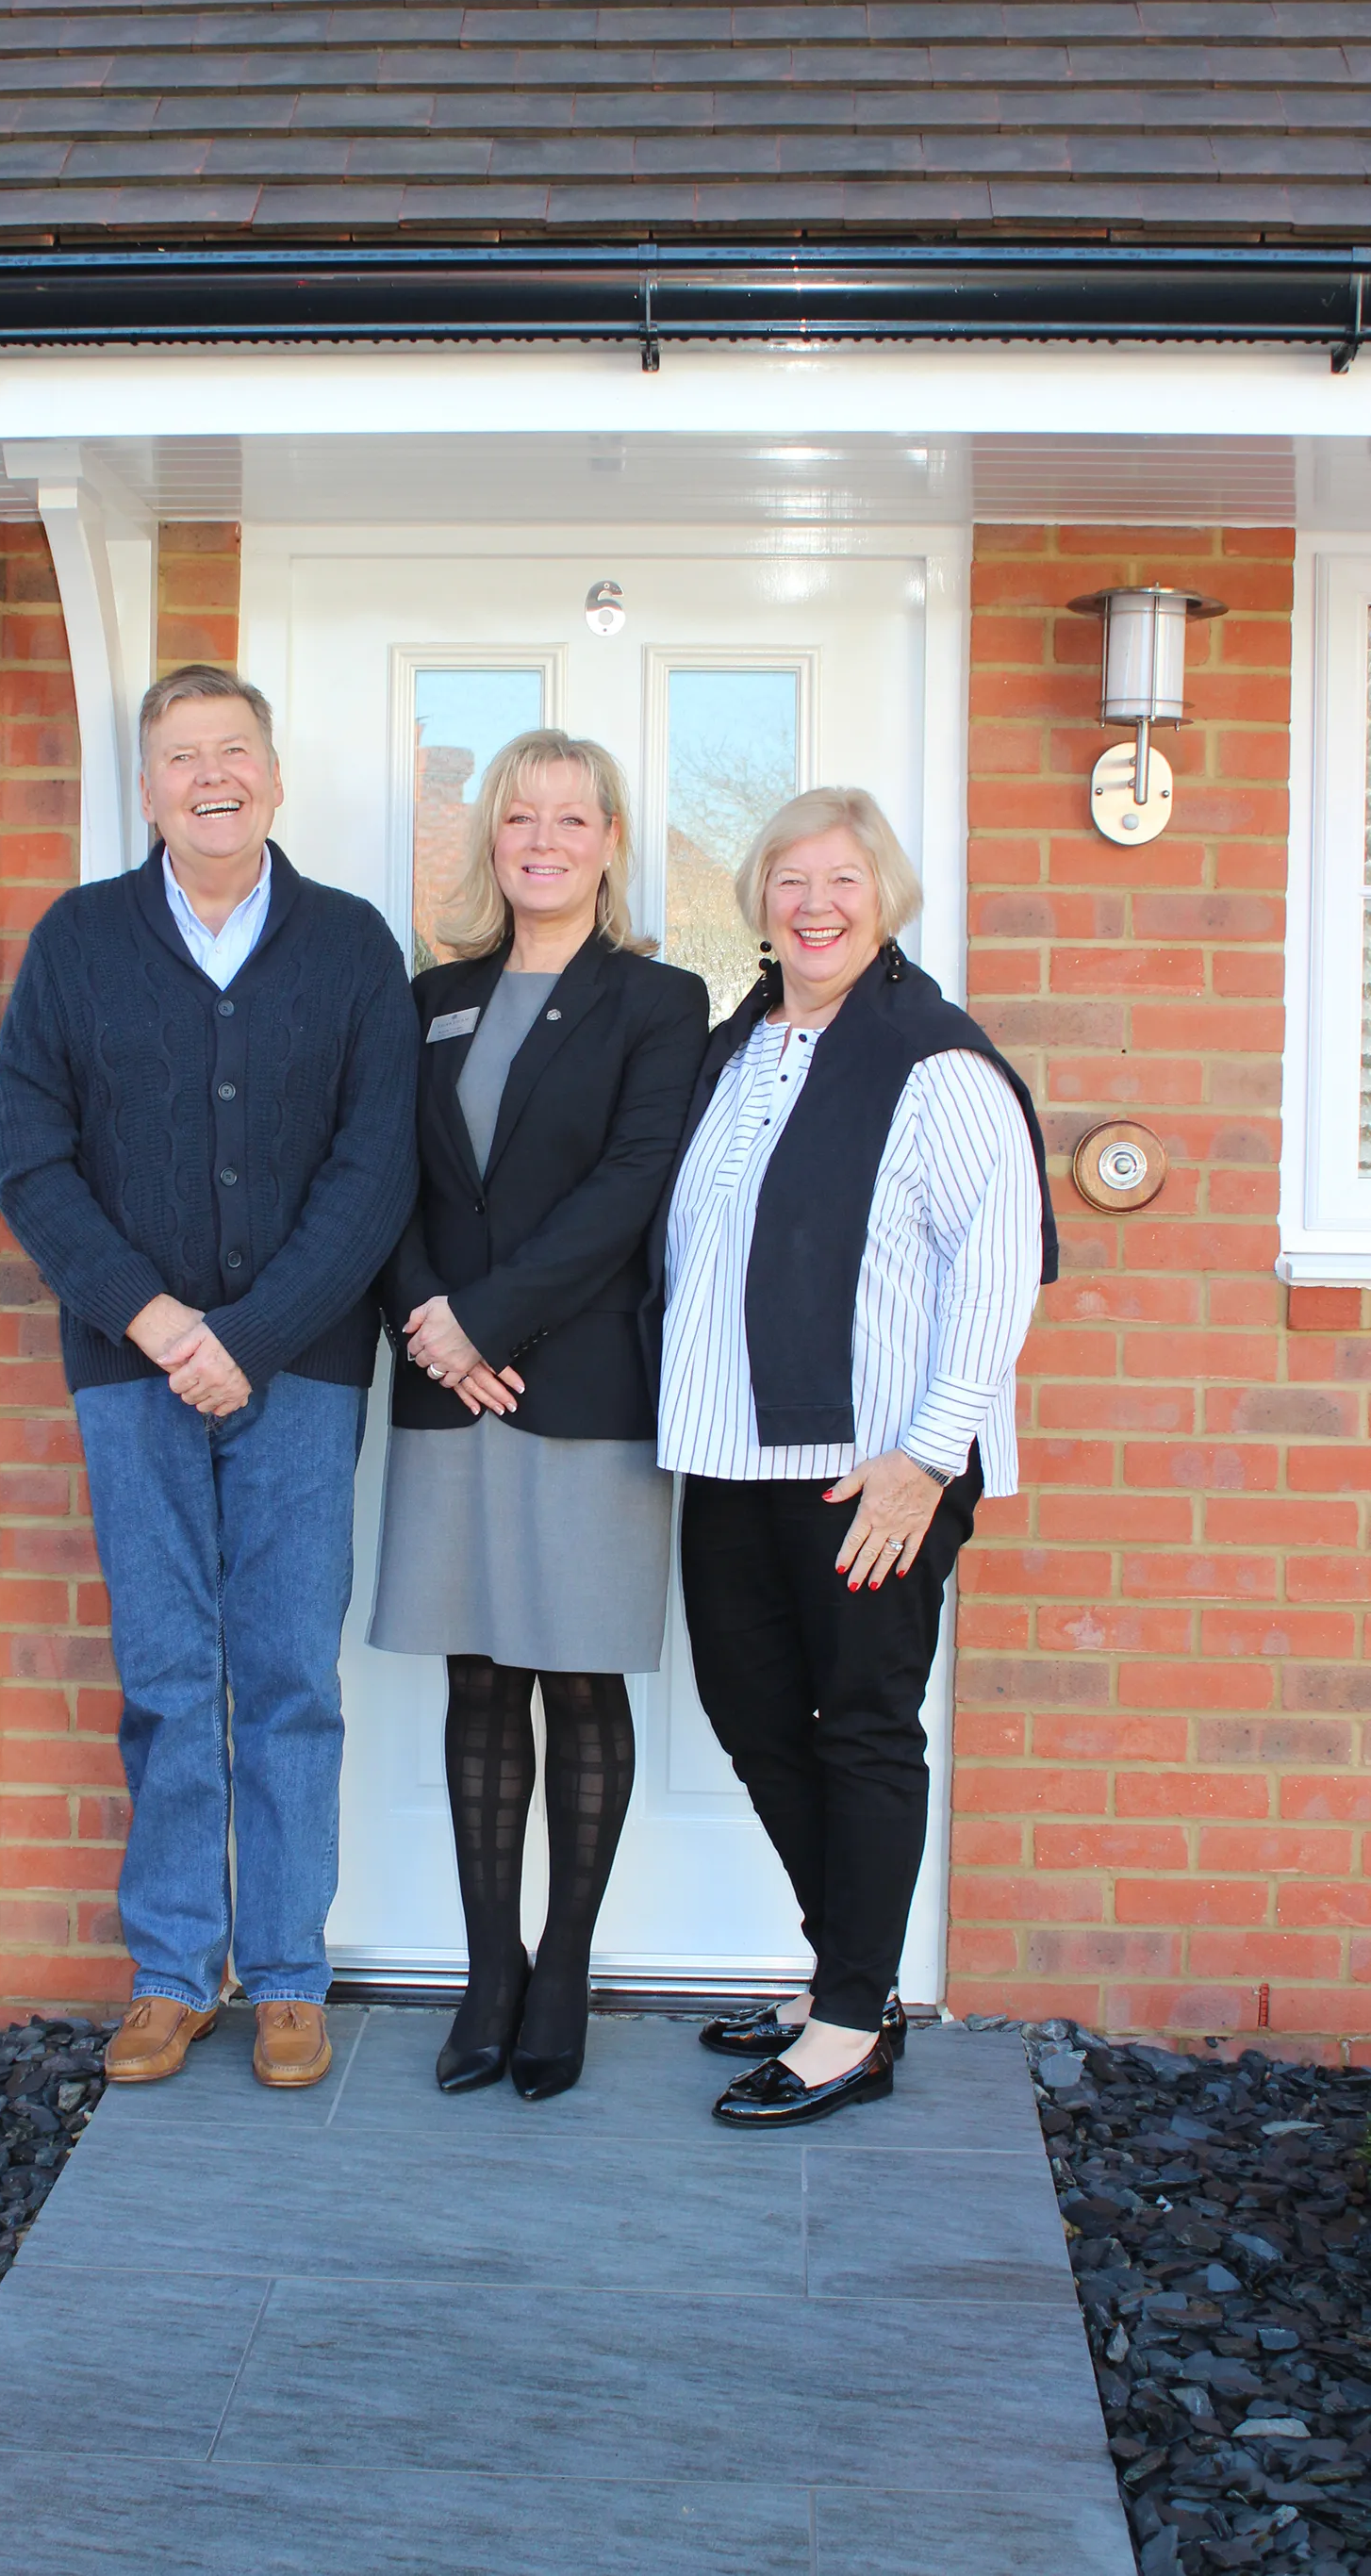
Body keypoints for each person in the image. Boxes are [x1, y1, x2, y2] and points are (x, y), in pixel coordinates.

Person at [0, 664, 418, 2091]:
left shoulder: (352, 946)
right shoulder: (79, 940)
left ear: (276, 776)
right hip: (129, 1373)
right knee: (171, 1677)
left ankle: (287, 1972)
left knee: (290, 1670)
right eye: (183, 757)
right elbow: (26, 1158)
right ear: (152, 784)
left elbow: (375, 1170)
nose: (212, 777)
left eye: (235, 751)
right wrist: (160, 1321)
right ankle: (173, 1970)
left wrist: (257, 1334)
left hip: (303, 1379)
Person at [651, 785, 1054, 2130]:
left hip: (872, 1469)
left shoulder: (934, 1059)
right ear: (759, 902)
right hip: (731, 1452)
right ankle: (852, 1976)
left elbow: (999, 1268)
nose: (814, 903)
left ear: (883, 897)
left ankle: (849, 2022)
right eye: (789, 879)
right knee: (754, 1714)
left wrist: (927, 1458)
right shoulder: (736, 1047)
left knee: (864, 1729)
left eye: (842, 879)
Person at [372, 730, 709, 2102]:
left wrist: (486, 1319)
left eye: (573, 817)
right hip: (449, 1387)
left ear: (613, 839)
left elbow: (629, 1187)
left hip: (577, 1391)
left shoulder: (656, 997)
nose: (545, 838)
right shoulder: (429, 993)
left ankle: (563, 1964)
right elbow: (380, 1179)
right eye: (521, 815)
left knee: (577, 1674)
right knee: (476, 1676)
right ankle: (487, 1967)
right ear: (492, 841)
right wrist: (430, 1323)